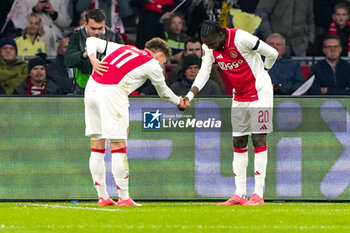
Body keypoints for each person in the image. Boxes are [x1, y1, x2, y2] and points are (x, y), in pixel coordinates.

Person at [184, 20, 278, 206]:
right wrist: (190, 95)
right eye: (207, 44)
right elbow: (204, 72)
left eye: (212, 43)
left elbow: (272, 53)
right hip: (239, 95)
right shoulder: (210, 45)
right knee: (238, 140)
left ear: (221, 34)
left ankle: (258, 195)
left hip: (260, 92)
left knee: (258, 138)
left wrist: (264, 71)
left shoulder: (241, 38)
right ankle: (239, 194)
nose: (210, 47)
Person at [85, 36, 187, 206]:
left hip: (91, 89)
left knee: (97, 145)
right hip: (112, 93)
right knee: (118, 146)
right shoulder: (152, 63)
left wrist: (93, 59)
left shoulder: (124, 48)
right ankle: (124, 197)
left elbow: (91, 40)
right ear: (160, 55)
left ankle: (102, 196)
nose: (161, 66)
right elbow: (163, 91)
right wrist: (179, 101)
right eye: (163, 62)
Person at [65, 8, 124, 95]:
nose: (97, 32)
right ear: (85, 24)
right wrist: (84, 54)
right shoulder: (77, 35)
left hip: (108, 87)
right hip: (83, 87)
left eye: (100, 28)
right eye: (93, 28)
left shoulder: (114, 35)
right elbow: (69, 61)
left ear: (104, 23)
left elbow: (123, 60)